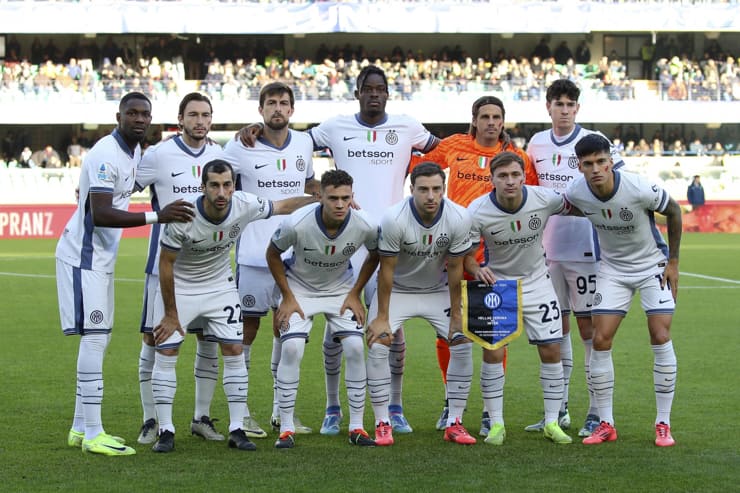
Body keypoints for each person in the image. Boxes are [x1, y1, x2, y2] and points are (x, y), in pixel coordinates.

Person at [242, 64, 439, 435]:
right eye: (368, 88)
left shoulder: (408, 125)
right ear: (358, 92)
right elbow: (294, 141)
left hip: (391, 243)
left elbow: (443, 150)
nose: (375, 93)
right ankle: (333, 408)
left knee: (390, 328)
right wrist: (256, 130)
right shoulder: (334, 127)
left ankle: (394, 404)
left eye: (381, 88)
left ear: (388, 93)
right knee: (338, 330)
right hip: (346, 246)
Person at [56, 92, 195, 456]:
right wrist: (156, 216)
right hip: (83, 257)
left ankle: (79, 427)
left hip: (99, 259)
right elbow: (100, 212)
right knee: (96, 340)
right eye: (131, 113)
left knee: (97, 337)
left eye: (144, 114)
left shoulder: (135, 153)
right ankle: (94, 434)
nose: (139, 119)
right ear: (118, 116)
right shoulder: (105, 153)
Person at [150, 159, 316, 453]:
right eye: (214, 185)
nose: (222, 192)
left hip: (220, 286)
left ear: (234, 186)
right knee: (167, 349)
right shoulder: (183, 214)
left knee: (235, 349)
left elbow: (283, 206)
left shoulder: (245, 204)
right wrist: (171, 314)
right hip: (181, 286)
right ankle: (166, 431)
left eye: (227, 184)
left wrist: (320, 199)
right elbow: (165, 264)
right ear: (202, 188)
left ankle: (237, 429)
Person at [409, 95, 537, 435]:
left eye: (497, 117)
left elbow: (533, 199)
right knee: (448, 331)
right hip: (449, 252)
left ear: (503, 121)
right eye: (485, 116)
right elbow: (414, 167)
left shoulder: (516, 158)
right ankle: (452, 405)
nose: (492, 122)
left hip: (493, 258)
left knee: (495, 333)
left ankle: (489, 410)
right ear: (475, 120)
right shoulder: (454, 146)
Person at [565, 134, 681, 447]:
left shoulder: (638, 186)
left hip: (651, 266)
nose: (596, 169)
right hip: (612, 271)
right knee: (600, 339)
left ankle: (663, 423)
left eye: (601, 162)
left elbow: (674, 212)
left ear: (611, 160)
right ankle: (606, 423)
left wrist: (673, 262)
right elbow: (562, 207)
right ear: (580, 166)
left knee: (660, 335)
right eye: (588, 164)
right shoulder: (576, 192)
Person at [525, 78, 625, 437]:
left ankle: (597, 412)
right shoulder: (536, 142)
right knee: (557, 329)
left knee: (588, 331)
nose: (564, 110)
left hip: (586, 251)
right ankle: (560, 410)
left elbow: (619, 182)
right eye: (558, 104)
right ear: (548, 107)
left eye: (570, 105)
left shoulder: (592, 141)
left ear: (577, 109)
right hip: (547, 252)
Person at [223, 82, 320, 438]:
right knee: (246, 333)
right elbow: (215, 174)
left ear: (292, 110)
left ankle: (283, 412)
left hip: (295, 258)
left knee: (288, 333)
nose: (277, 108)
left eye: (284, 103)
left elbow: (310, 185)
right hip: (252, 256)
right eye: (271, 103)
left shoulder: (305, 143)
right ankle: (243, 411)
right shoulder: (239, 146)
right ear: (260, 110)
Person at [134, 92, 227, 445]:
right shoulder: (158, 154)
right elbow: (127, 187)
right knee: (152, 338)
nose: (199, 121)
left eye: (205, 115)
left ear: (211, 120)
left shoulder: (222, 155)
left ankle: (201, 418)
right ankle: (150, 420)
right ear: (180, 118)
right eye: (193, 115)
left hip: (208, 267)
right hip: (163, 263)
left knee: (209, 339)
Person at [466, 151, 575, 446]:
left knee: (552, 350)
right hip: (499, 287)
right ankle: (496, 424)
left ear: (523, 175)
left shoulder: (544, 198)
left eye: (515, 175)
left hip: (539, 283)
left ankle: (552, 422)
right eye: (502, 176)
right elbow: (466, 256)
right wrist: (477, 269)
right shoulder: (477, 211)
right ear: (492, 180)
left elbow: (577, 205)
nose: (510, 181)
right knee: (493, 353)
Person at [267, 169, 380, 449]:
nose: (340, 204)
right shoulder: (297, 223)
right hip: (299, 289)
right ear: (321, 198)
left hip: (340, 289)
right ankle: (286, 427)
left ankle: (356, 426)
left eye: (345, 198)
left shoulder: (365, 223)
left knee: (355, 348)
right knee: (292, 349)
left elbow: (376, 253)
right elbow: (272, 253)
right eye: (333, 198)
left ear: (353, 197)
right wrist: (287, 296)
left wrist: (355, 293)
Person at [365, 162, 476, 446]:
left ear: (444, 189)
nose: (431, 196)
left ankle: (455, 422)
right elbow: (386, 271)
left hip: (436, 290)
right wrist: (382, 317)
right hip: (398, 290)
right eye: (423, 189)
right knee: (378, 343)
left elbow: (454, 268)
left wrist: (456, 314)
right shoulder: (394, 218)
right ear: (411, 189)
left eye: (437, 189)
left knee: (462, 341)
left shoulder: (459, 217)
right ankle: (382, 422)